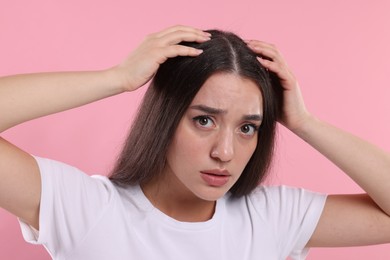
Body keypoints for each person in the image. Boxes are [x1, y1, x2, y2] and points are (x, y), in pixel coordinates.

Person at [0, 25, 389, 259]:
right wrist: (116, 77)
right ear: (165, 120)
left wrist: (305, 122)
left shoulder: (270, 216)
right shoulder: (86, 209)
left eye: (247, 128)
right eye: (204, 120)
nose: (225, 152)